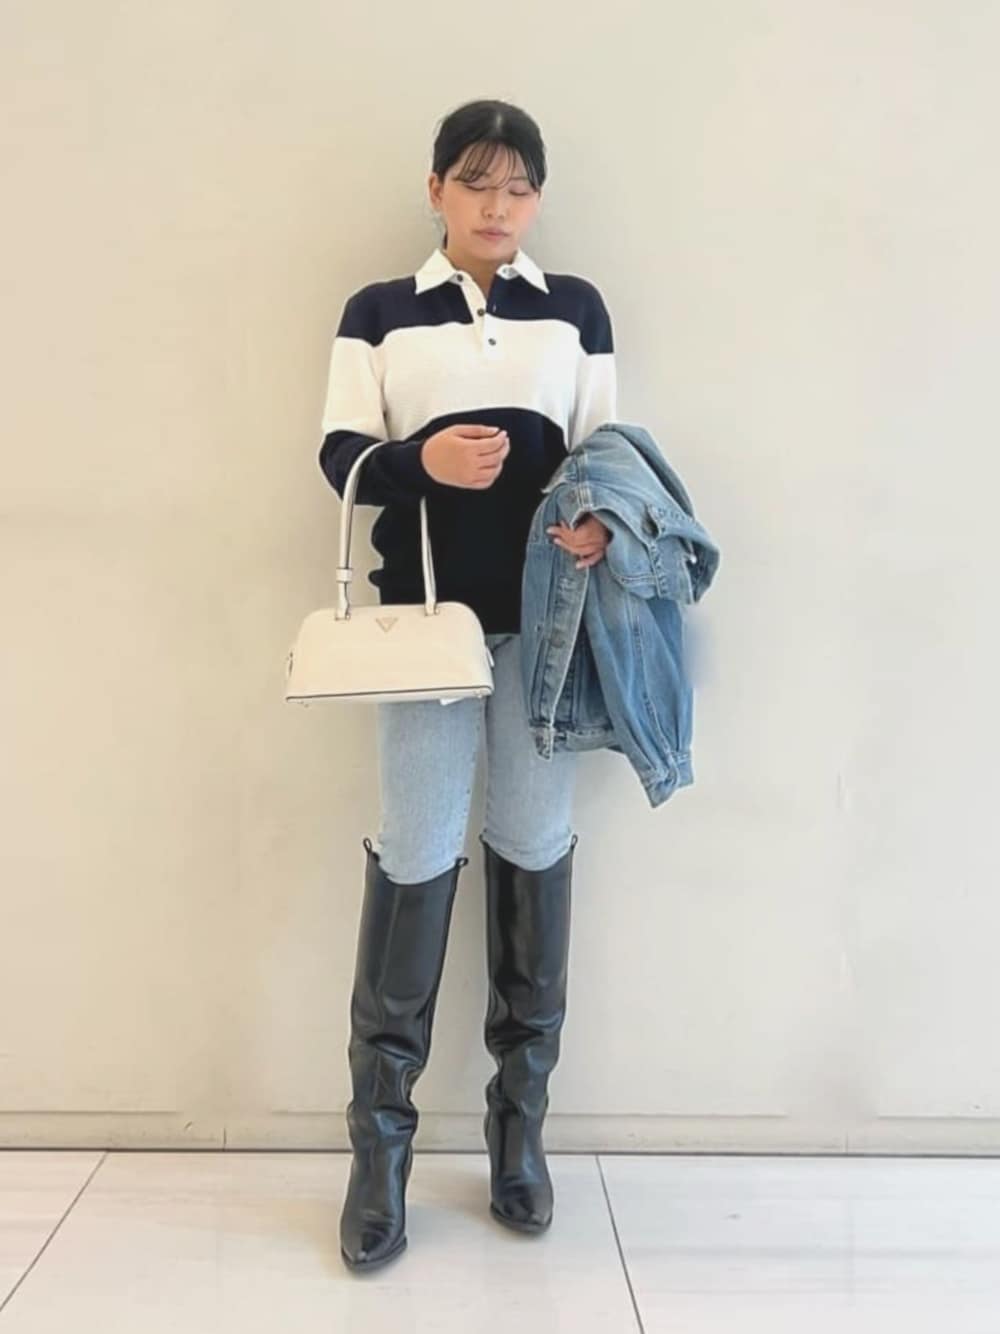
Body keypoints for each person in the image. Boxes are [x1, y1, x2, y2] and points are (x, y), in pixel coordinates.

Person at [316, 98, 618, 1273]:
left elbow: (604, 450)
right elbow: (341, 453)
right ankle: (379, 1151)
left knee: (534, 841)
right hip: (423, 623)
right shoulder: (379, 311)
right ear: (435, 187)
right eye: (477, 183)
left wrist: (595, 517)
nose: (498, 206)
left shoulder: (573, 307)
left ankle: (516, 1130)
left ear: (536, 198)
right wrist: (420, 460)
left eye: (518, 187)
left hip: (546, 619)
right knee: (414, 848)